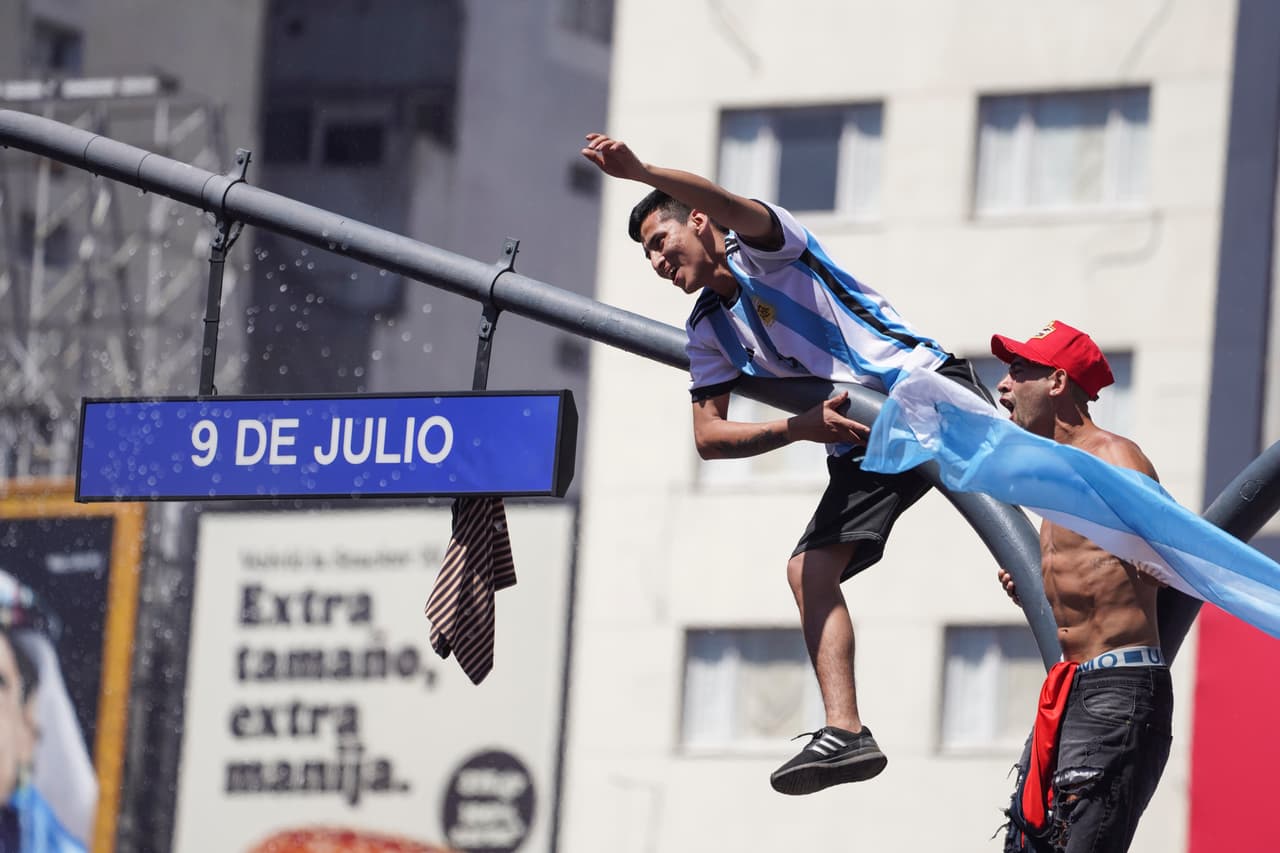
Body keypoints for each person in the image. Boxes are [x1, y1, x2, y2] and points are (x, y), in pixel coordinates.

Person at [581, 132, 993, 795]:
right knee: (808, 568)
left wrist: (642, 172)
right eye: (647, 254)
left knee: (1037, 509)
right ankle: (846, 730)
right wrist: (796, 428)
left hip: (922, 392)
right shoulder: (707, 325)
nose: (657, 259)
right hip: (865, 439)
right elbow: (709, 437)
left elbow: (724, 200)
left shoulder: (769, 248)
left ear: (698, 219)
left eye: (661, 240)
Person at [990, 321, 1172, 853]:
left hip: (1119, 689)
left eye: (1018, 370)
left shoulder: (1112, 457)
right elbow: (1098, 572)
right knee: (1027, 844)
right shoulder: (1056, 473)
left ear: (1057, 382)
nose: (1004, 384)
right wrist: (1040, 585)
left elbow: (1173, 554)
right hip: (1070, 691)